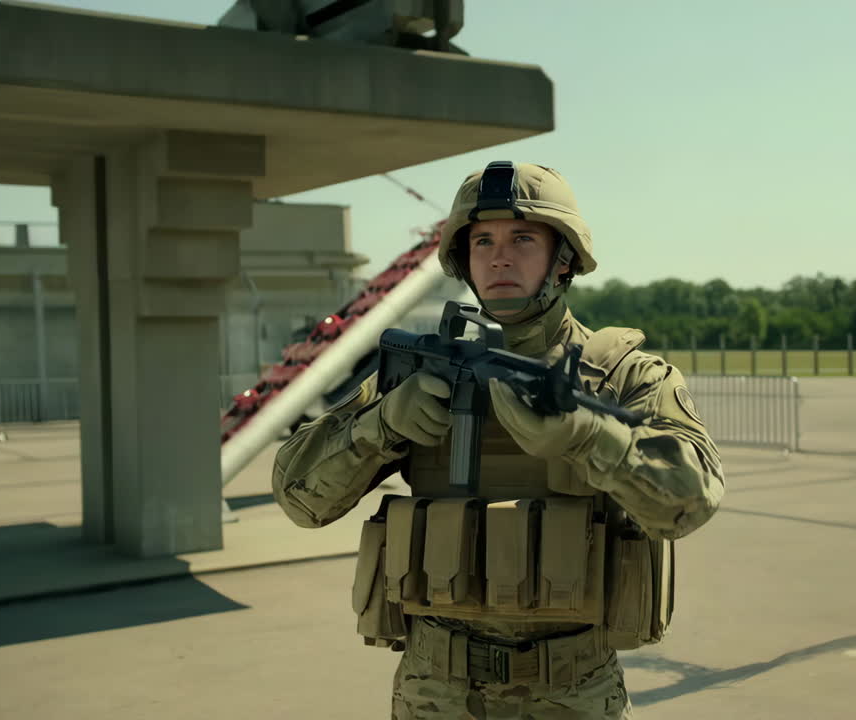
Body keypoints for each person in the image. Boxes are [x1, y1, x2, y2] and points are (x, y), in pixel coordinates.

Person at [272, 161, 724, 719]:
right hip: (434, 688)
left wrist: (586, 433)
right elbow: (298, 498)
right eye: (482, 240)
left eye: (523, 238)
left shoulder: (622, 376)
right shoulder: (422, 371)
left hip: (571, 688)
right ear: (463, 259)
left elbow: (692, 500)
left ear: (564, 260)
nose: (499, 256)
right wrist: (381, 423)